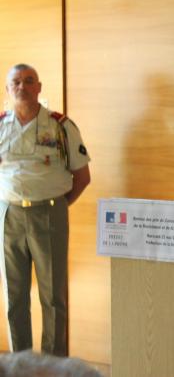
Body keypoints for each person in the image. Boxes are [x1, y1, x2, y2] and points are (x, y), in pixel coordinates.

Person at [0, 64, 91, 356]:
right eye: (16, 82)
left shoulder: (60, 125)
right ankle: (20, 364)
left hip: (49, 213)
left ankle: (53, 366)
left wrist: (57, 206)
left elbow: (82, 177)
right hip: (9, 216)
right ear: (7, 89)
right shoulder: (0, 125)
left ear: (39, 87)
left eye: (29, 81)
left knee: (53, 297)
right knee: (14, 297)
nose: (22, 87)